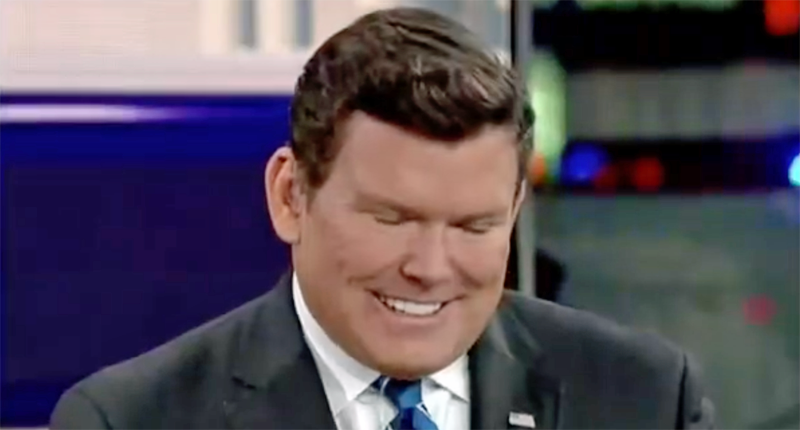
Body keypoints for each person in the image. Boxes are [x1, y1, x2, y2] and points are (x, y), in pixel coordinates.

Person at [50, 7, 714, 430]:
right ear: (291, 195)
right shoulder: (129, 420)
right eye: (391, 219)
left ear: (514, 212)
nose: (430, 268)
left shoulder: (646, 399)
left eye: (474, 226)